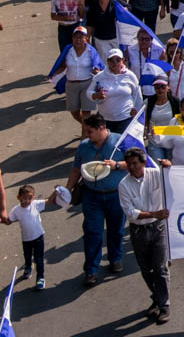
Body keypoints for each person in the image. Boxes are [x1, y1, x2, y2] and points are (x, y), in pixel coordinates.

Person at [66, 114, 128, 285]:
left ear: (102, 128)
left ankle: (115, 259)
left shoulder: (120, 141)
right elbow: (76, 170)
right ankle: (91, 270)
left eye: (90, 131)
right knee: (93, 232)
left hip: (115, 194)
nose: (86, 135)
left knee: (116, 230)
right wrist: (67, 190)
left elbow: (137, 163)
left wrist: (117, 165)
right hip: (92, 196)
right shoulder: (84, 147)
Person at [118, 147, 171, 323]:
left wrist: (169, 167)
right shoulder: (124, 185)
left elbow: (172, 180)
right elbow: (131, 212)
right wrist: (154, 213)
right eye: (129, 164)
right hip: (138, 231)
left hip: (158, 229)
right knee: (146, 269)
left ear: (143, 162)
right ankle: (157, 298)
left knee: (160, 268)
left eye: (135, 163)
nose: (132, 167)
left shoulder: (155, 174)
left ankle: (164, 306)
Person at [7, 183, 53, 290]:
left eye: (30, 198)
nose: (27, 200)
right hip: (26, 239)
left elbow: (49, 201)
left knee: (39, 259)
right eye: (24, 198)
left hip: (38, 237)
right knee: (27, 256)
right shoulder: (16, 210)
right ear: (19, 197)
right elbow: (9, 221)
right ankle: (28, 267)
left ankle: (40, 277)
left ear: (33, 197)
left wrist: (56, 192)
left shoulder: (35, 204)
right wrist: (2, 219)